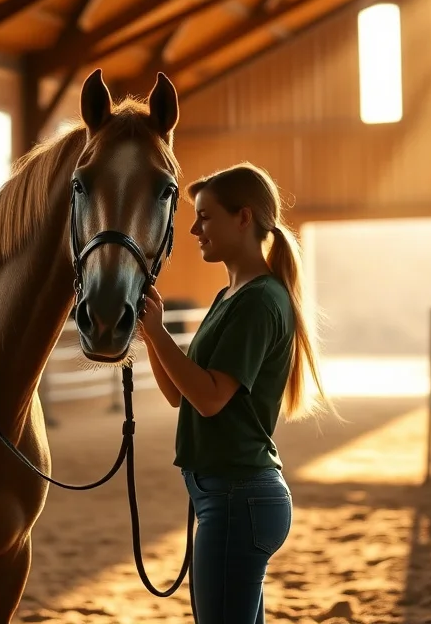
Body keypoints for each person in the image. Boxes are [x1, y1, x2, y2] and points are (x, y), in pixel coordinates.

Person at [137, 162, 337, 624]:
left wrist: (160, 336)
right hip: (227, 496)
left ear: (243, 217)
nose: (193, 229)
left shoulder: (260, 300)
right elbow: (178, 394)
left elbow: (210, 399)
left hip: (237, 497)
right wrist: (152, 335)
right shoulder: (231, 295)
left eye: (205, 216)